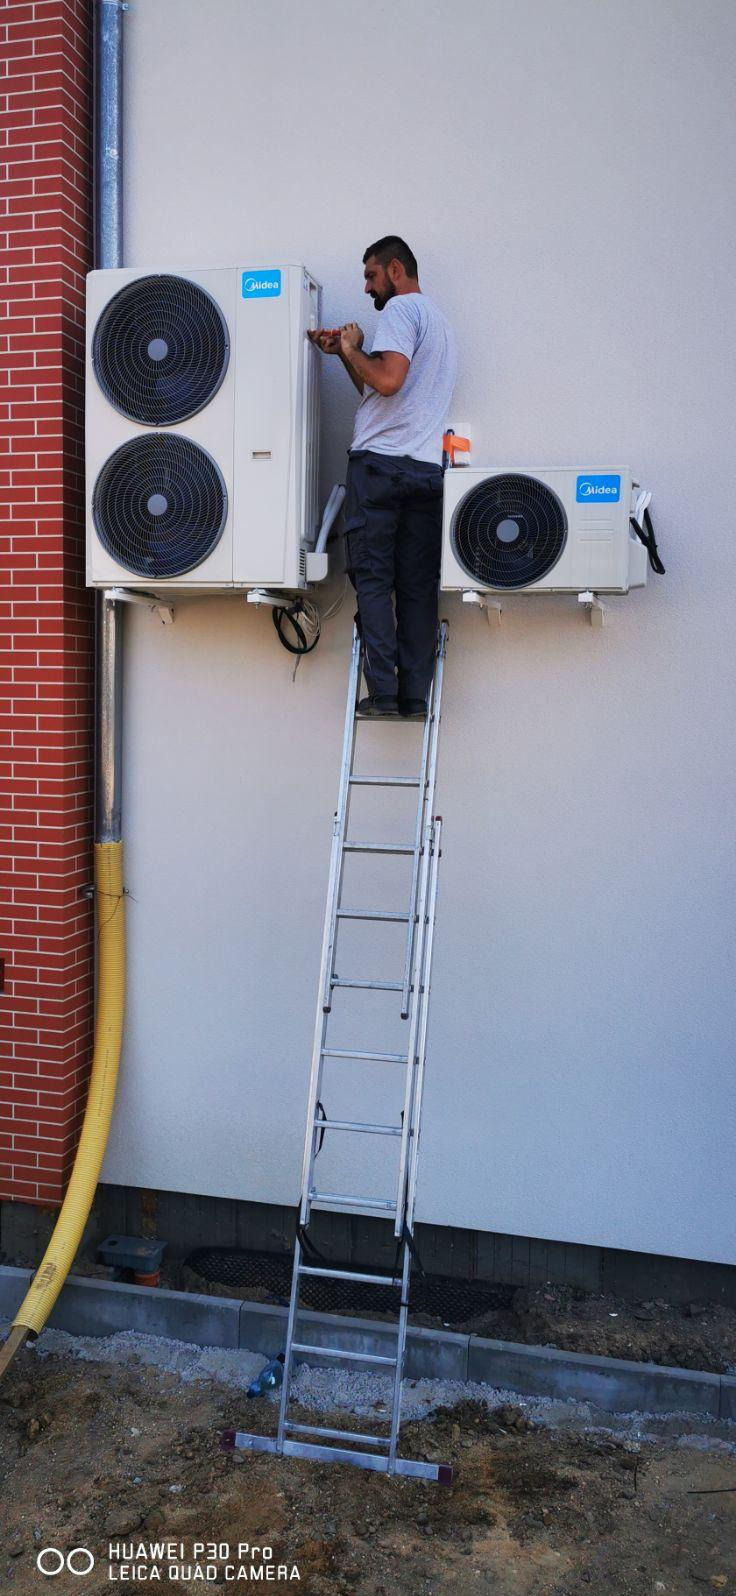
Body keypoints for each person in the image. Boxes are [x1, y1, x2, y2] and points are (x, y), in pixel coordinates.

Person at [309, 236, 457, 717]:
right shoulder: (439, 322)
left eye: (371, 275)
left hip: (379, 469)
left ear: (396, 270)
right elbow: (382, 393)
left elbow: (387, 381)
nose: (368, 288)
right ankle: (414, 697)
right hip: (423, 472)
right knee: (416, 587)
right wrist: (345, 354)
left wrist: (354, 345)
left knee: (373, 581)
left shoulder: (399, 312)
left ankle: (384, 695)